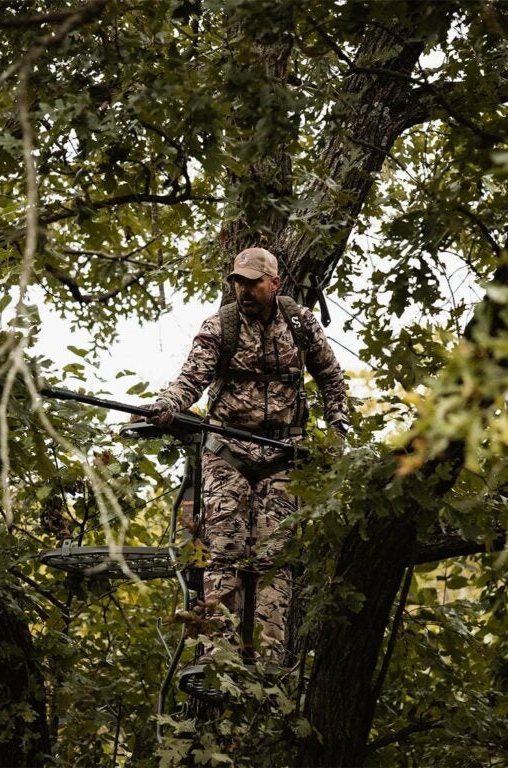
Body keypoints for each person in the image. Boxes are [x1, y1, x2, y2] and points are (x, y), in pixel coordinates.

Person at [148, 247, 350, 662]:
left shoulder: (300, 324)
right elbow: (192, 378)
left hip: (282, 454)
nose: (244, 290)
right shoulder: (220, 326)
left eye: (254, 282)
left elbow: (331, 377)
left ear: (274, 283)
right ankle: (216, 656)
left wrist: (338, 429)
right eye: (238, 282)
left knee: (274, 557)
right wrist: (169, 403)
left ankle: (268, 661)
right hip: (228, 450)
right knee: (222, 551)